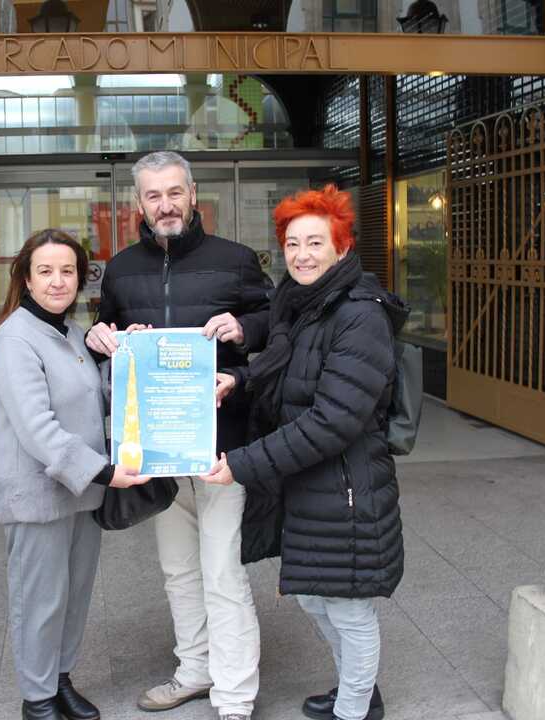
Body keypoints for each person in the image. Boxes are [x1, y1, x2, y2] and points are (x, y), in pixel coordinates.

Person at [205, 185, 406, 720]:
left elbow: (332, 420)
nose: (302, 255)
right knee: (317, 596)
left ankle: (355, 709)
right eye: (292, 244)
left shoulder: (358, 315)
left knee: (348, 608)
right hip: (311, 484)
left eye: (315, 242)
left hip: (346, 485)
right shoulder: (302, 304)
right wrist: (240, 381)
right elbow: (289, 375)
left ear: (342, 246)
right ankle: (356, 690)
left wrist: (242, 464)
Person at [85, 151, 272, 720]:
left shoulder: (236, 260)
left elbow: (277, 323)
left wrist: (245, 327)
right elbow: (108, 332)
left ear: (192, 194)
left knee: (223, 572)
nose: (164, 204)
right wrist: (101, 336)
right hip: (158, 450)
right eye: (153, 195)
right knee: (179, 571)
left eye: (174, 192)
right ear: (138, 203)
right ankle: (195, 670)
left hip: (222, 447)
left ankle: (234, 695)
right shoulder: (121, 269)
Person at [0, 229, 150, 720]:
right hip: (41, 496)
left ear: (81, 278)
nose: (57, 281)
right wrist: (104, 471)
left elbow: (100, 399)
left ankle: (59, 679)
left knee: (74, 595)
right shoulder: (15, 338)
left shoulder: (74, 333)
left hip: (82, 493)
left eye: (67, 271)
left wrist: (132, 355)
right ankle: (37, 698)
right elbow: (37, 429)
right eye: (45, 271)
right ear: (26, 278)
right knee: (40, 599)